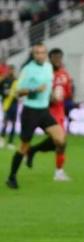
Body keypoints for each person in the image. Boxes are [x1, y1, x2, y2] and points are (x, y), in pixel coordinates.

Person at [5, 44, 66, 190]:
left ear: (46, 55)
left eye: (42, 52)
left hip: (44, 111)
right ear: (33, 55)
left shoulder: (48, 68)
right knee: (23, 145)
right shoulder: (27, 70)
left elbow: (48, 87)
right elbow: (18, 92)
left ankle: (33, 150)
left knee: (60, 140)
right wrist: (34, 90)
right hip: (30, 112)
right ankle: (12, 177)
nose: (40, 55)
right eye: (37, 53)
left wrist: (53, 96)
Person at [26, 47, 73, 181]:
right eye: (55, 58)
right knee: (59, 141)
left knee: (59, 142)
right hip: (43, 109)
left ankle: (34, 151)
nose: (57, 60)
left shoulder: (65, 74)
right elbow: (34, 89)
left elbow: (68, 93)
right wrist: (49, 96)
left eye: (59, 58)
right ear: (50, 58)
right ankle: (57, 171)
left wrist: (64, 96)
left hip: (59, 111)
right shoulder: (44, 73)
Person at [0, 64, 18, 150]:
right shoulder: (4, 80)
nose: (11, 71)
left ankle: (11, 142)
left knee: (14, 123)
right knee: (5, 122)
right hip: (6, 103)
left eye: (12, 70)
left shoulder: (16, 81)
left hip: (14, 103)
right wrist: (4, 93)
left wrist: (17, 95)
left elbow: (20, 92)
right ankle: (2, 139)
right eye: (10, 70)